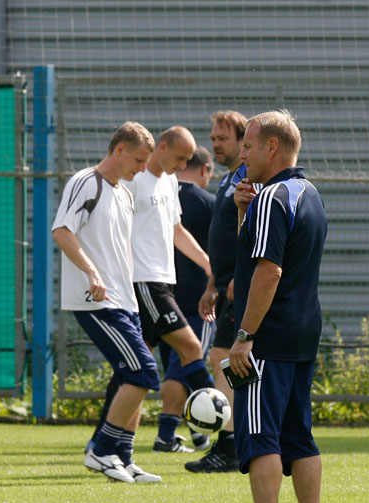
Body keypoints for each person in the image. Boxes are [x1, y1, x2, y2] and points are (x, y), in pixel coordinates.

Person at [217, 110, 328, 503]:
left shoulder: (272, 198)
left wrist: (244, 336)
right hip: (303, 332)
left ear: (272, 147)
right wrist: (243, 212)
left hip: (269, 336)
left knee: (261, 434)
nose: (242, 154)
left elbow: (268, 272)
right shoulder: (309, 193)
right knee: (300, 437)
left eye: (248, 144)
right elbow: (257, 257)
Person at [86, 126, 217, 454]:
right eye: (180, 157)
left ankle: (109, 444)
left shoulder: (169, 181)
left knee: (133, 370)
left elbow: (176, 230)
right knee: (190, 346)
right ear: (162, 147)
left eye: (188, 160)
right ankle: (221, 421)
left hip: (161, 281)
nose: (183, 165)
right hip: (143, 281)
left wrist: (208, 265)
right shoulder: (133, 178)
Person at [52, 122, 162, 483]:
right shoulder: (86, 182)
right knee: (143, 372)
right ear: (119, 150)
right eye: (139, 160)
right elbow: (62, 230)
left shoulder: (125, 194)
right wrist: (92, 273)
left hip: (124, 301)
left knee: (128, 377)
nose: (142, 169)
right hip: (95, 301)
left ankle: (123, 457)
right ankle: (101, 449)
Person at [185, 110, 249, 473]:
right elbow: (221, 237)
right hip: (225, 288)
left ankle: (232, 446)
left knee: (226, 359)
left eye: (222, 138)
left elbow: (254, 233)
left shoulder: (250, 178)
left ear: (243, 140)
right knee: (226, 360)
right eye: (212, 138)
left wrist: (243, 276)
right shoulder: (228, 179)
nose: (215, 144)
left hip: (241, 288)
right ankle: (238, 442)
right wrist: (213, 283)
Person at [156, 146, 216, 452]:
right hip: (199, 303)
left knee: (178, 368)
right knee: (185, 367)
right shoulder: (209, 203)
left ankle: (197, 432)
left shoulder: (159, 194)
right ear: (205, 170)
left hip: (161, 298)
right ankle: (166, 435)